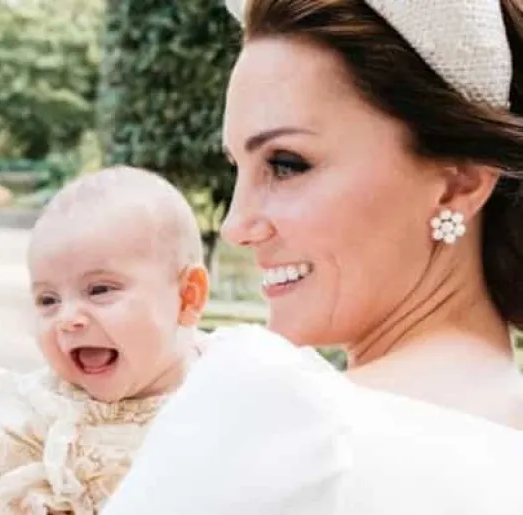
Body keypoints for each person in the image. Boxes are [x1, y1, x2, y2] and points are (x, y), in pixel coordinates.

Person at [100, 0, 523, 513]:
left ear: (460, 184)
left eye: (286, 164)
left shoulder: (280, 421)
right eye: (238, 168)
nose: (236, 225)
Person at [0, 166, 210, 515]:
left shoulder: (229, 394)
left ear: (188, 296)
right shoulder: (30, 423)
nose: (67, 318)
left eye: (99, 290)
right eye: (48, 300)